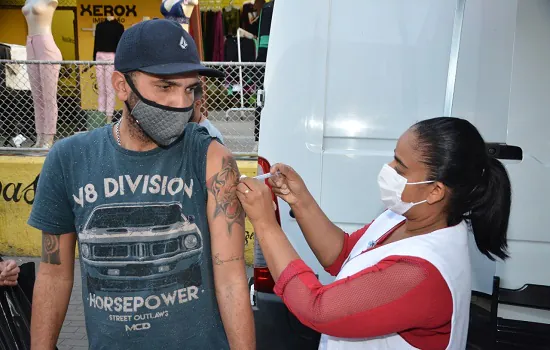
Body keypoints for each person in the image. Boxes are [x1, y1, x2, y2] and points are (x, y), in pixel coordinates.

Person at [27, 19, 254, 350]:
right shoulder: (69, 159)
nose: (181, 102)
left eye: (190, 88)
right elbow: (53, 274)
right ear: (121, 85)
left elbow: (232, 278)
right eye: (165, 86)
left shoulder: (211, 158)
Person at [237, 117, 512, 350]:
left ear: (435, 191)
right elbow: (342, 254)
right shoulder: (405, 216)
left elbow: (316, 309)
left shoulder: (423, 272)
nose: (388, 170)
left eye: (400, 167)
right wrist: (300, 199)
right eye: (394, 158)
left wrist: (264, 223)